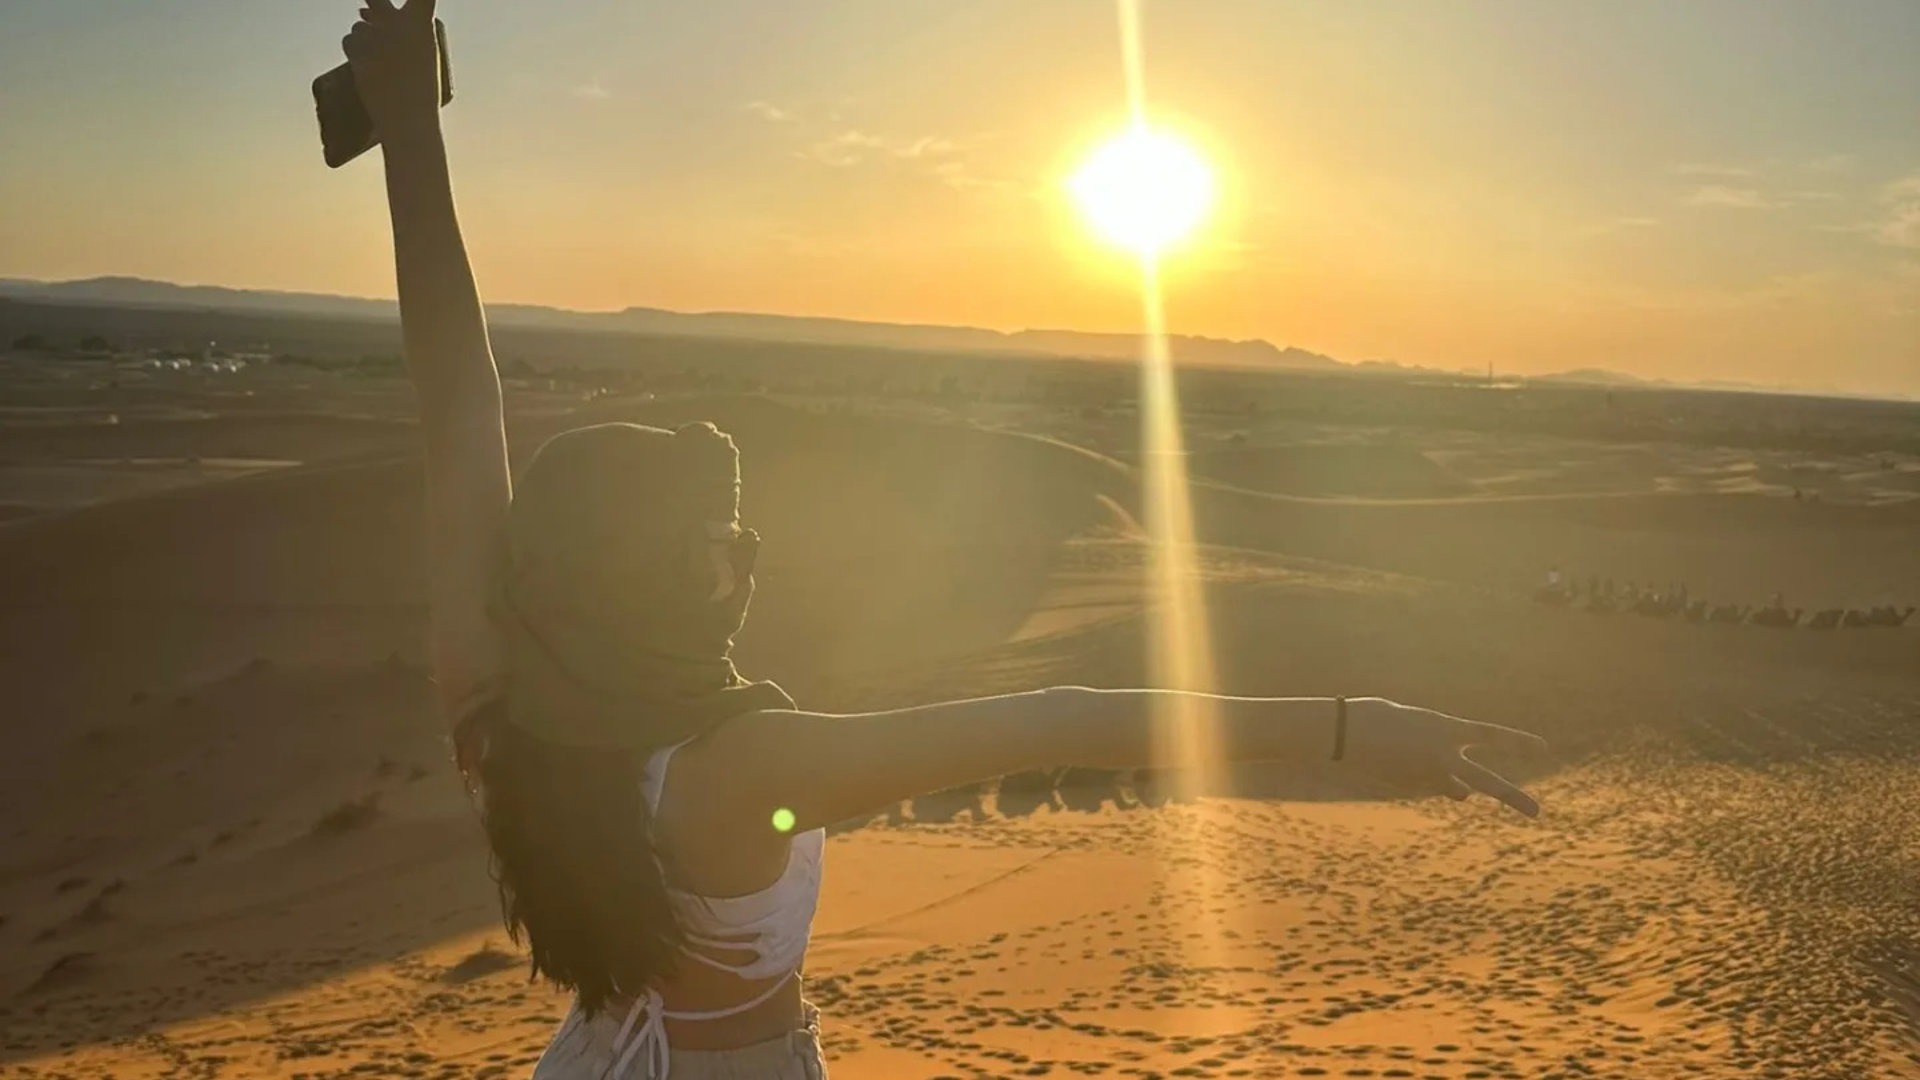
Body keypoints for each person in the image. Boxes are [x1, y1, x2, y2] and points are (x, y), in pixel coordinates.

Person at [341, 4, 1549, 1077]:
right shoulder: (748, 767)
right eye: (714, 546)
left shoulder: (499, 698)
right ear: (636, 578)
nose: (740, 570)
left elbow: (458, 403)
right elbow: (1061, 722)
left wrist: (410, 135)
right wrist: (1349, 728)